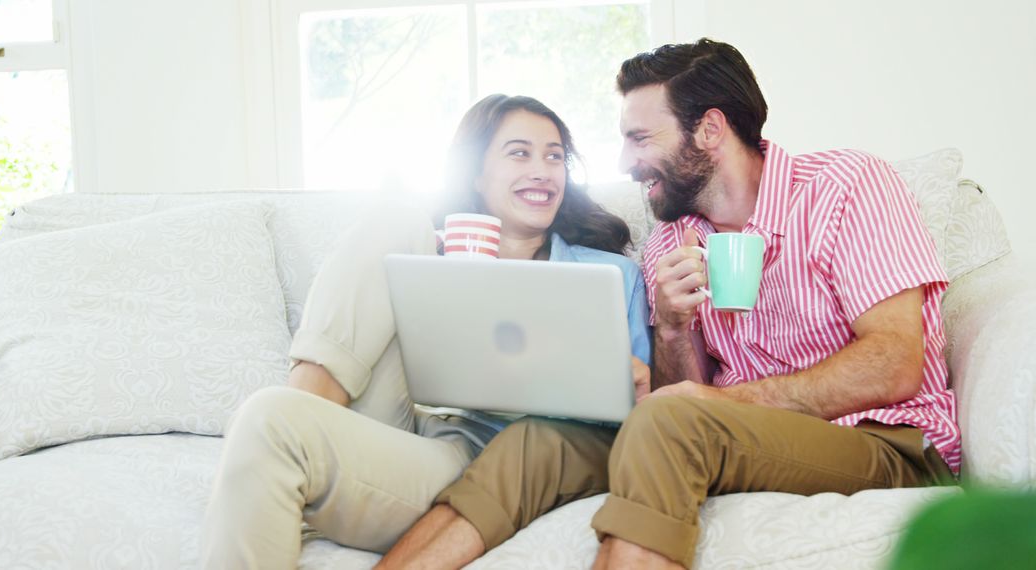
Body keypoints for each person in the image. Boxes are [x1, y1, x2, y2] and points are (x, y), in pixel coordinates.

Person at [378, 39, 959, 570]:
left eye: (639, 138)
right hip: (741, 443)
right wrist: (675, 332)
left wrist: (719, 401)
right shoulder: (669, 241)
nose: (626, 162)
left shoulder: (846, 186)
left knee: (673, 419)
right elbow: (680, 394)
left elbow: (895, 361)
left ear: (709, 130)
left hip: (883, 443)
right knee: (534, 443)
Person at [199, 93, 651, 569]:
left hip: (487, 462)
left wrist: (629, 379)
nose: (542, 169)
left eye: (554, 156)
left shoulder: (612, 275)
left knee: (269, 420)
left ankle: (292, 435)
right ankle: (305, 409)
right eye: (519, 153)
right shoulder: (430, 255)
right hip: (412, 429)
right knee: (398, 219)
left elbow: (639, 418)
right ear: (476, 174)